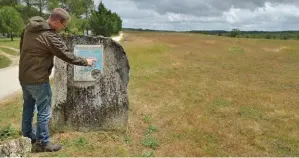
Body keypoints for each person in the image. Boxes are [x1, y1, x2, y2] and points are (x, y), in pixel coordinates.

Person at [19, 8, 96, 152]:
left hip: (24, 76)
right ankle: (43, 143)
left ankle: (28, 135)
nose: (63, 28)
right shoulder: (50, 36)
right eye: (63, 25)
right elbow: (66, 55)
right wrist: (86, 61)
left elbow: (21, 46)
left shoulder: (30, 28)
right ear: (56, 21)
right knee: (44, 110)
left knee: (28, 107)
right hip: (38, 79)